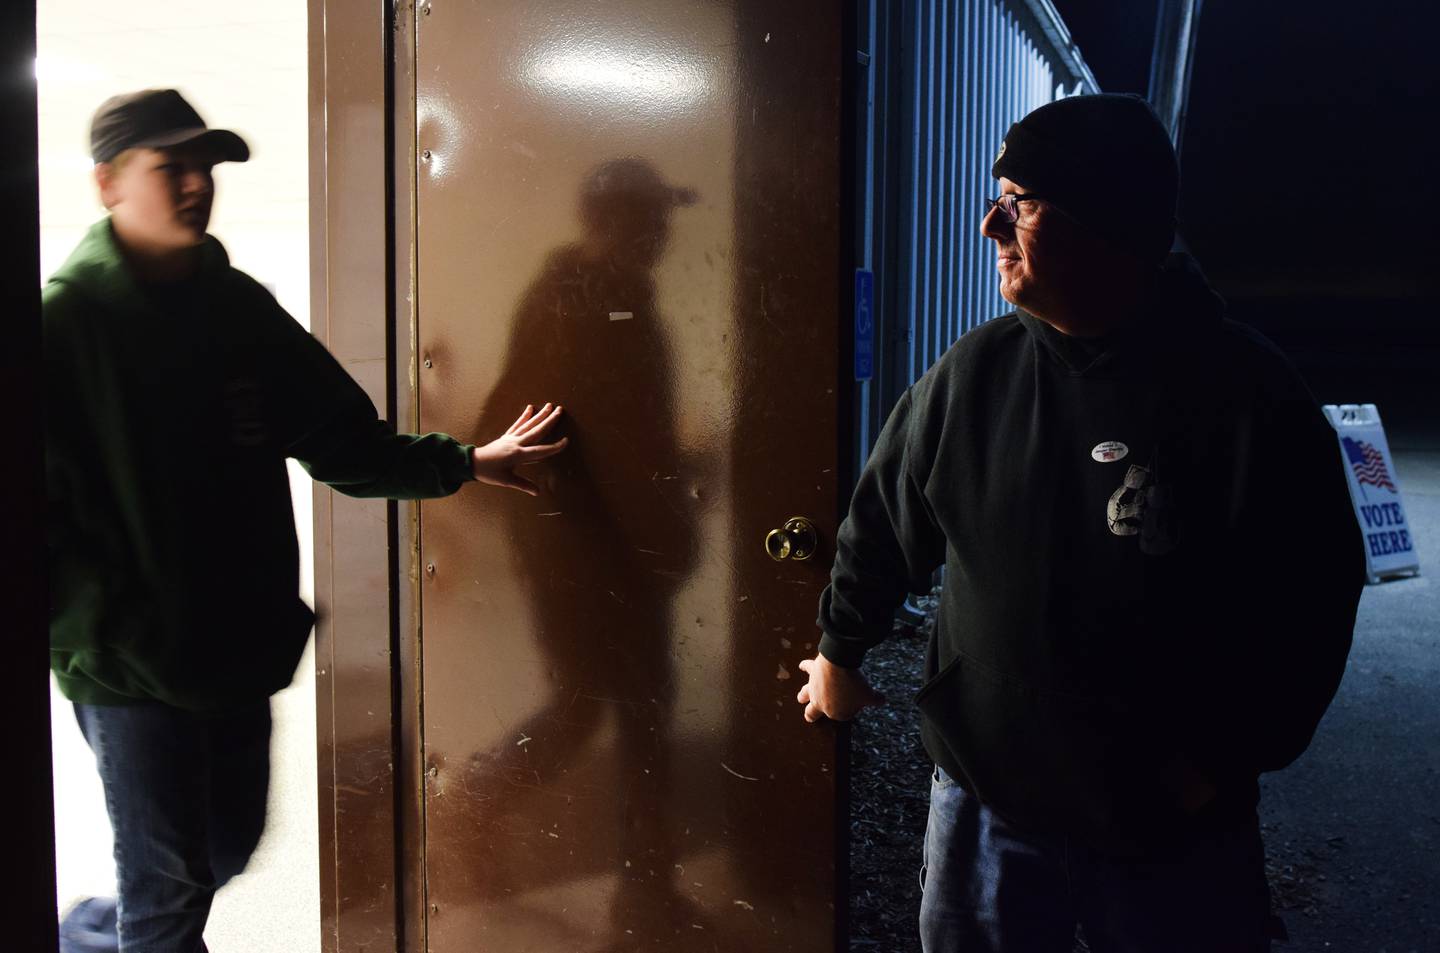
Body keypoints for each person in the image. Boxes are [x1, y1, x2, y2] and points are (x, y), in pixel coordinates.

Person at [794, 93, 1363, 952]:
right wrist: (840, 651)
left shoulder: (1249, 401)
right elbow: (881, 524)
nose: (989, 224)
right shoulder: (975, 375)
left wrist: (1210, 769)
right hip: (982, 817)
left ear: (1111, 223)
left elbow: (1311, 607)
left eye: (1020, 205)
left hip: (1171, 840)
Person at [45, 88, 567, 953]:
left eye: (205, 167)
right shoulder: (65, 328)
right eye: (169, 166)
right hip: (128, 669)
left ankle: (88, 935)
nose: (195, 185)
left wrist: (468, 462)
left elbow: (341, 439)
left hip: (234, 655)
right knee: (169, 893)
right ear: (108, 183)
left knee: (223, 849)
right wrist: (105, 622)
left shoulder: (240, 311)